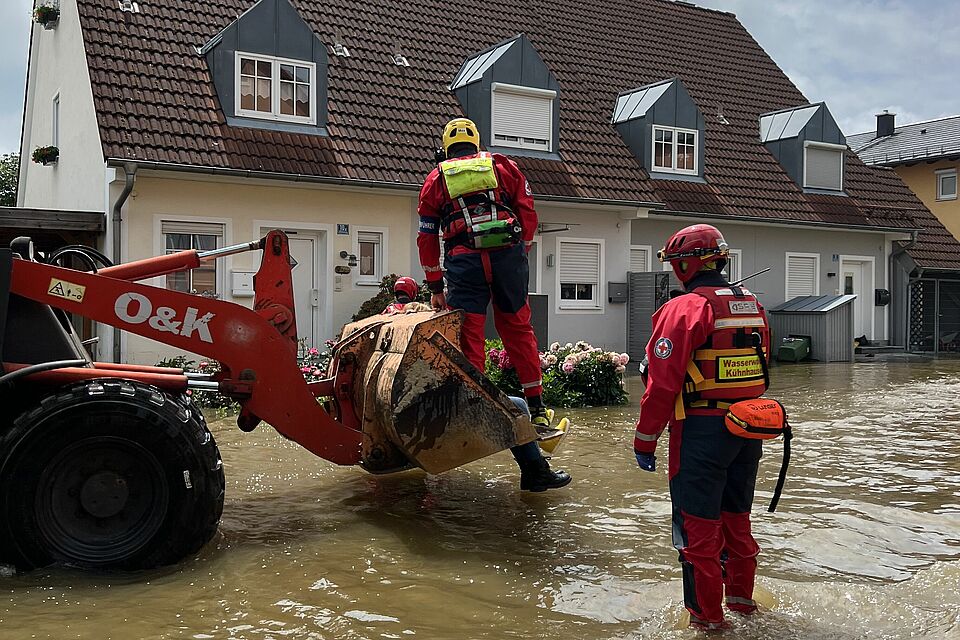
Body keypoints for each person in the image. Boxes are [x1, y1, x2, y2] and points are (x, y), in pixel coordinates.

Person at [418, 117, 570, 492]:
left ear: (446, 148)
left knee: (471, 333)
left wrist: (435, 284)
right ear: (476, 144)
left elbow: (426, 237)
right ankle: (535, 405)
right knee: (517, 329)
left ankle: (476, 403)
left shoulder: (436, 179)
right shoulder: (503, 166)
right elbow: (528, 212)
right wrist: (523, 250)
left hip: (464, 262)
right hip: (507, 259)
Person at [633, 224, 771, 630]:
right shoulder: (752, 305)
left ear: (683, 265)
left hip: (700, 433)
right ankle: (743, 605)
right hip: (747, 428)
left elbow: (662, 385)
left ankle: (708, 623)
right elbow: (761, 372)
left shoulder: (685, 308)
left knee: (697, 533)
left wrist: (645, 441)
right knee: (736, 521)